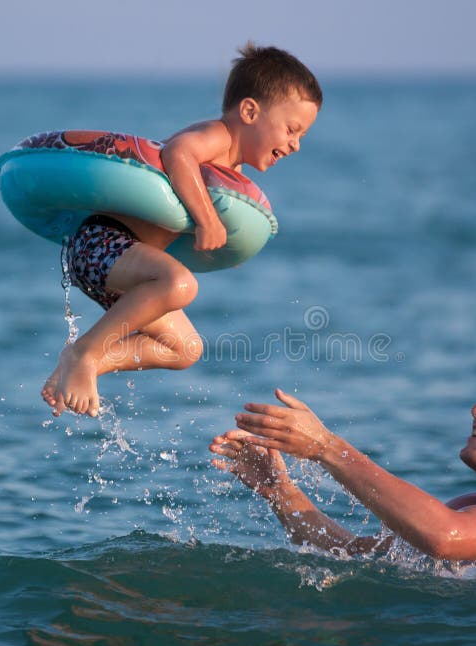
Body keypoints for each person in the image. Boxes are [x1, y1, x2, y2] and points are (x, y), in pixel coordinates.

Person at [42, 44, 322, 417]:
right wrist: (207, 220)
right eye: (291, 129)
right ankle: (85, 353)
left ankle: (79, 364)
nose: (295, 144)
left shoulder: (229, 177)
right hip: (102, 242)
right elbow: (178, 152)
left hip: (126, 269)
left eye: (301, 135)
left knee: (186, 349)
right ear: (250, 111)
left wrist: (229, 247)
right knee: (181, 285)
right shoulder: (218, 136)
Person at [210, 366, 476, 566]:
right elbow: (355, 553)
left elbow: (446, 538)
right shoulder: (468, 507)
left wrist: (326, 447)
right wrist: (281, 492)